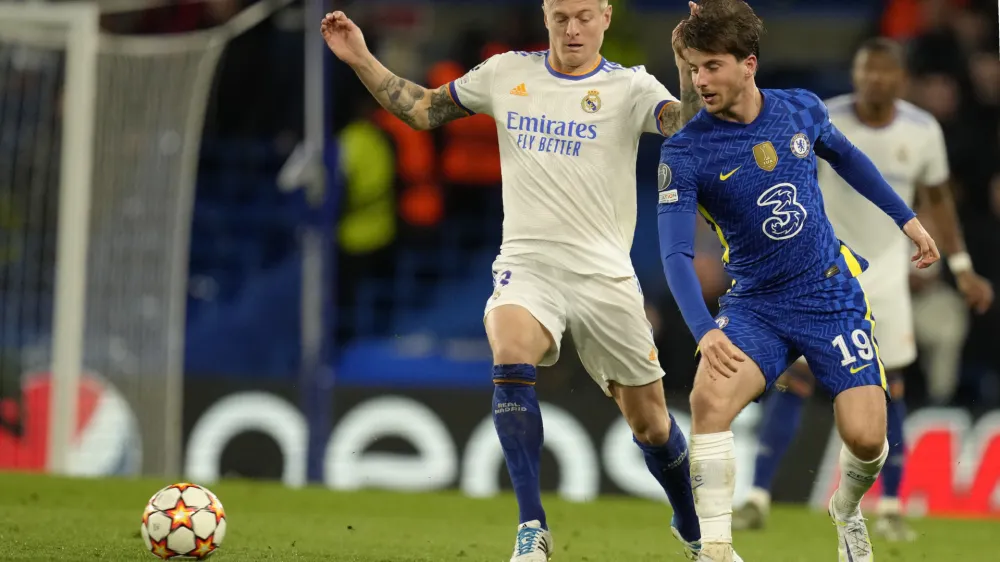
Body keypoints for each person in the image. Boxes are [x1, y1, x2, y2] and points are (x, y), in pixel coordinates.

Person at [320, 2, 735, 561]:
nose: (572, 29)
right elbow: (421, 109)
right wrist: (360, 57)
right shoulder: (507, 72)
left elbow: (686, 129)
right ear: (545, 15)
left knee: (653, 426)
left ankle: (692, 529)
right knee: (511, 350)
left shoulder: (631, 86)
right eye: (561, 16)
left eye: (583, 16)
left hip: (604, 275)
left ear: (605, 17)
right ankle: (532, 527)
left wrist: (686, 67)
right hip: (528, 263)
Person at [655, 2, 941, 561]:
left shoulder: (801, 108)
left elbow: (848, 158)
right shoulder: (686, 151)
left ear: (748, 64)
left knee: (868, 438)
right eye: (693, 68)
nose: (700, 80)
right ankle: (716, 548)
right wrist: (704, 330)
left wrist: (906, 219)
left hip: (829, 293)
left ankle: (846, 510)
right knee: (708, 398)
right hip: (756, 304)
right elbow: (675, 252)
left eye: (712, 66)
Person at [731, 37, 994, 541]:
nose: (873, 79)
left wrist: (961, 267)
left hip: (889, 276)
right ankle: (758, 496)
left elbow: (938, 199)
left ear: (901, 79)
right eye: (864, 70)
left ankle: (891, 506)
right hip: (826, 272)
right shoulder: (824, 117)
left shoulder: (922, 130)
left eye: (883, 71)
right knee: (796, 377)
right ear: (854, 75)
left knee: (889, 386)